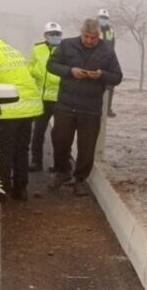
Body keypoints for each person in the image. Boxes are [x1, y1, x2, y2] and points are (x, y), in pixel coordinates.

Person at [48, 18, 122, 196]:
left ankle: (80, 180)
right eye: (86, 37)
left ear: (98, 36)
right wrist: (70, 71)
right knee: (60, 141)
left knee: (87, 146)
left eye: (93, 38)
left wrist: (101, 75)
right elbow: (51, 65)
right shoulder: (67, 45)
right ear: (81, 33)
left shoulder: (107, 50)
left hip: (90, 107)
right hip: (66, 104)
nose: (89, 41)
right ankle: (62, 172)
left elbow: (117, 77)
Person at [0, 28, 43, 201]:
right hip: (29, 108)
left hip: (9, 109)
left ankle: (2, 188)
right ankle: (21, 189)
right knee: (22, 149)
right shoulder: (10, 49)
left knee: (4, 151)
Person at [28, 22, 63, 172]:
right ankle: (36, 161)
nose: (55, 37)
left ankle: (59, 164)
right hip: (41, 98)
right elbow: (30, 67)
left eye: (57, 34)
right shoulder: (37, 49)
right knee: (38, 132)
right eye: (52, 34)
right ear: (45, 35)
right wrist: (35, 70)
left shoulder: (65, 50)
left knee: (60, 134)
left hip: (59, 98)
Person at [97, 8, 117, 117]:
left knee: (110, 86)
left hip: (108, 61)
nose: (103, 20)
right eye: (101, 18)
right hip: (95, 61)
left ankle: (107, 108)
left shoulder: (111, 30)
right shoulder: (94, 29)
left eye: (105, 18)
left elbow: (113, 45)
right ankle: (97, 107)